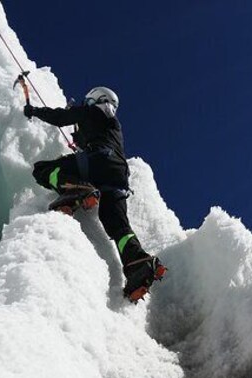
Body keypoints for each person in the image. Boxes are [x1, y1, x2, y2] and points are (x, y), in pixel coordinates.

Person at [23, 86, 165, 302]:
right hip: (118, 175)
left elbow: (61, 117)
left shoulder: (92, 111)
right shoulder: (112, 124)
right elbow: (92, 135)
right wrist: (80, 140)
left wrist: (34, 111)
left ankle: (75, 188)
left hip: (98, 161)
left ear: (96, 100)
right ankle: (139, 264)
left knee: (42, 169)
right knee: (117, 225)